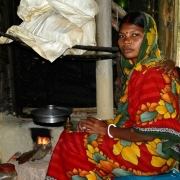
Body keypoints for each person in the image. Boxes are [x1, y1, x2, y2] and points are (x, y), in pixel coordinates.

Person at [45, 11, 180, 180]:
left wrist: (106, 129)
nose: (127, 41)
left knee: (74, 143)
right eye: (122, 35)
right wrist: (98, 125)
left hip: (152, 154)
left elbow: (149, 132)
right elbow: (133, 121)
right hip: (147, 146)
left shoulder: (154, 74)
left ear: (149, 38)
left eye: (135, 35)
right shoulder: (141, 70)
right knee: (77, 135)